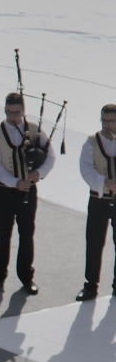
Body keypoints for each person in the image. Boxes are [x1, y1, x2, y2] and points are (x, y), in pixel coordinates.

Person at [0, 92, 54, 295]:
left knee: (26, 235)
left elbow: (50, 156)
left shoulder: (34, 130)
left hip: (28, 191)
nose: (13, 116)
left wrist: (37, 174)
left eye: (16, 112)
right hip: (5, 192)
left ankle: (26, 277)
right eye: (9, 112)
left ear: (23, 111)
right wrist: (16, 182)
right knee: (3, 235)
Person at [75, 104, 116, 301]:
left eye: (112, 121)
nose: (107, 125)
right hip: (98, 199)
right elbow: (86, 169)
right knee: (94, 242)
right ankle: (90, 285)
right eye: (104, 120)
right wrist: (104, 183)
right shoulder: (92, 142)